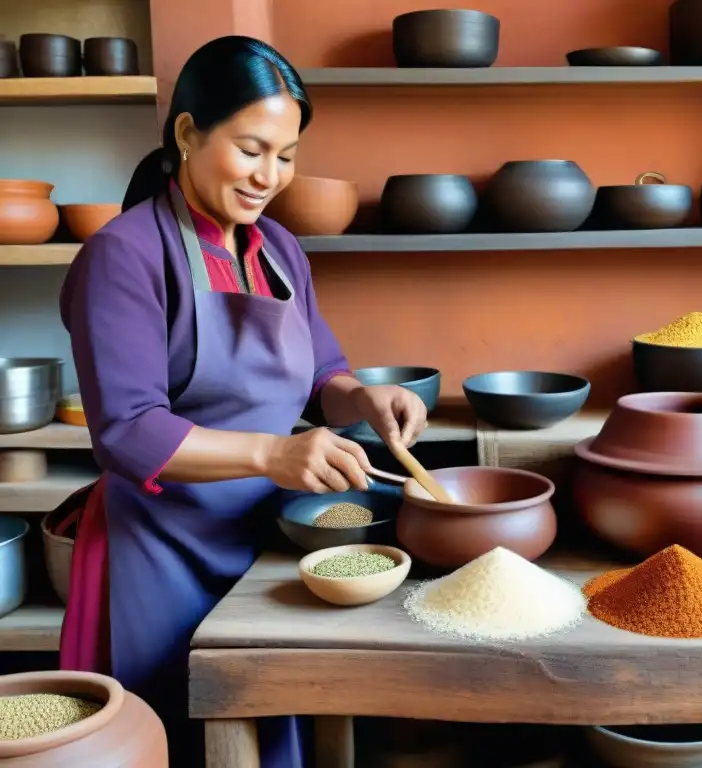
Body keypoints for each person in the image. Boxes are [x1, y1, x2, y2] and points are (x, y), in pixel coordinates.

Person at [55, 35, 428, 767]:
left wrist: (364, 399)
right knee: (180, 735)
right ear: (188, 133)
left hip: (261, 539)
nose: (270, 176)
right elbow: (127, 433)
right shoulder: (124, 255)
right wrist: (275, 454)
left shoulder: (279, 249)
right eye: (252, 149)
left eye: (286, 156)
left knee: (264, 731)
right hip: (158, 552)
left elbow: (323, 372)